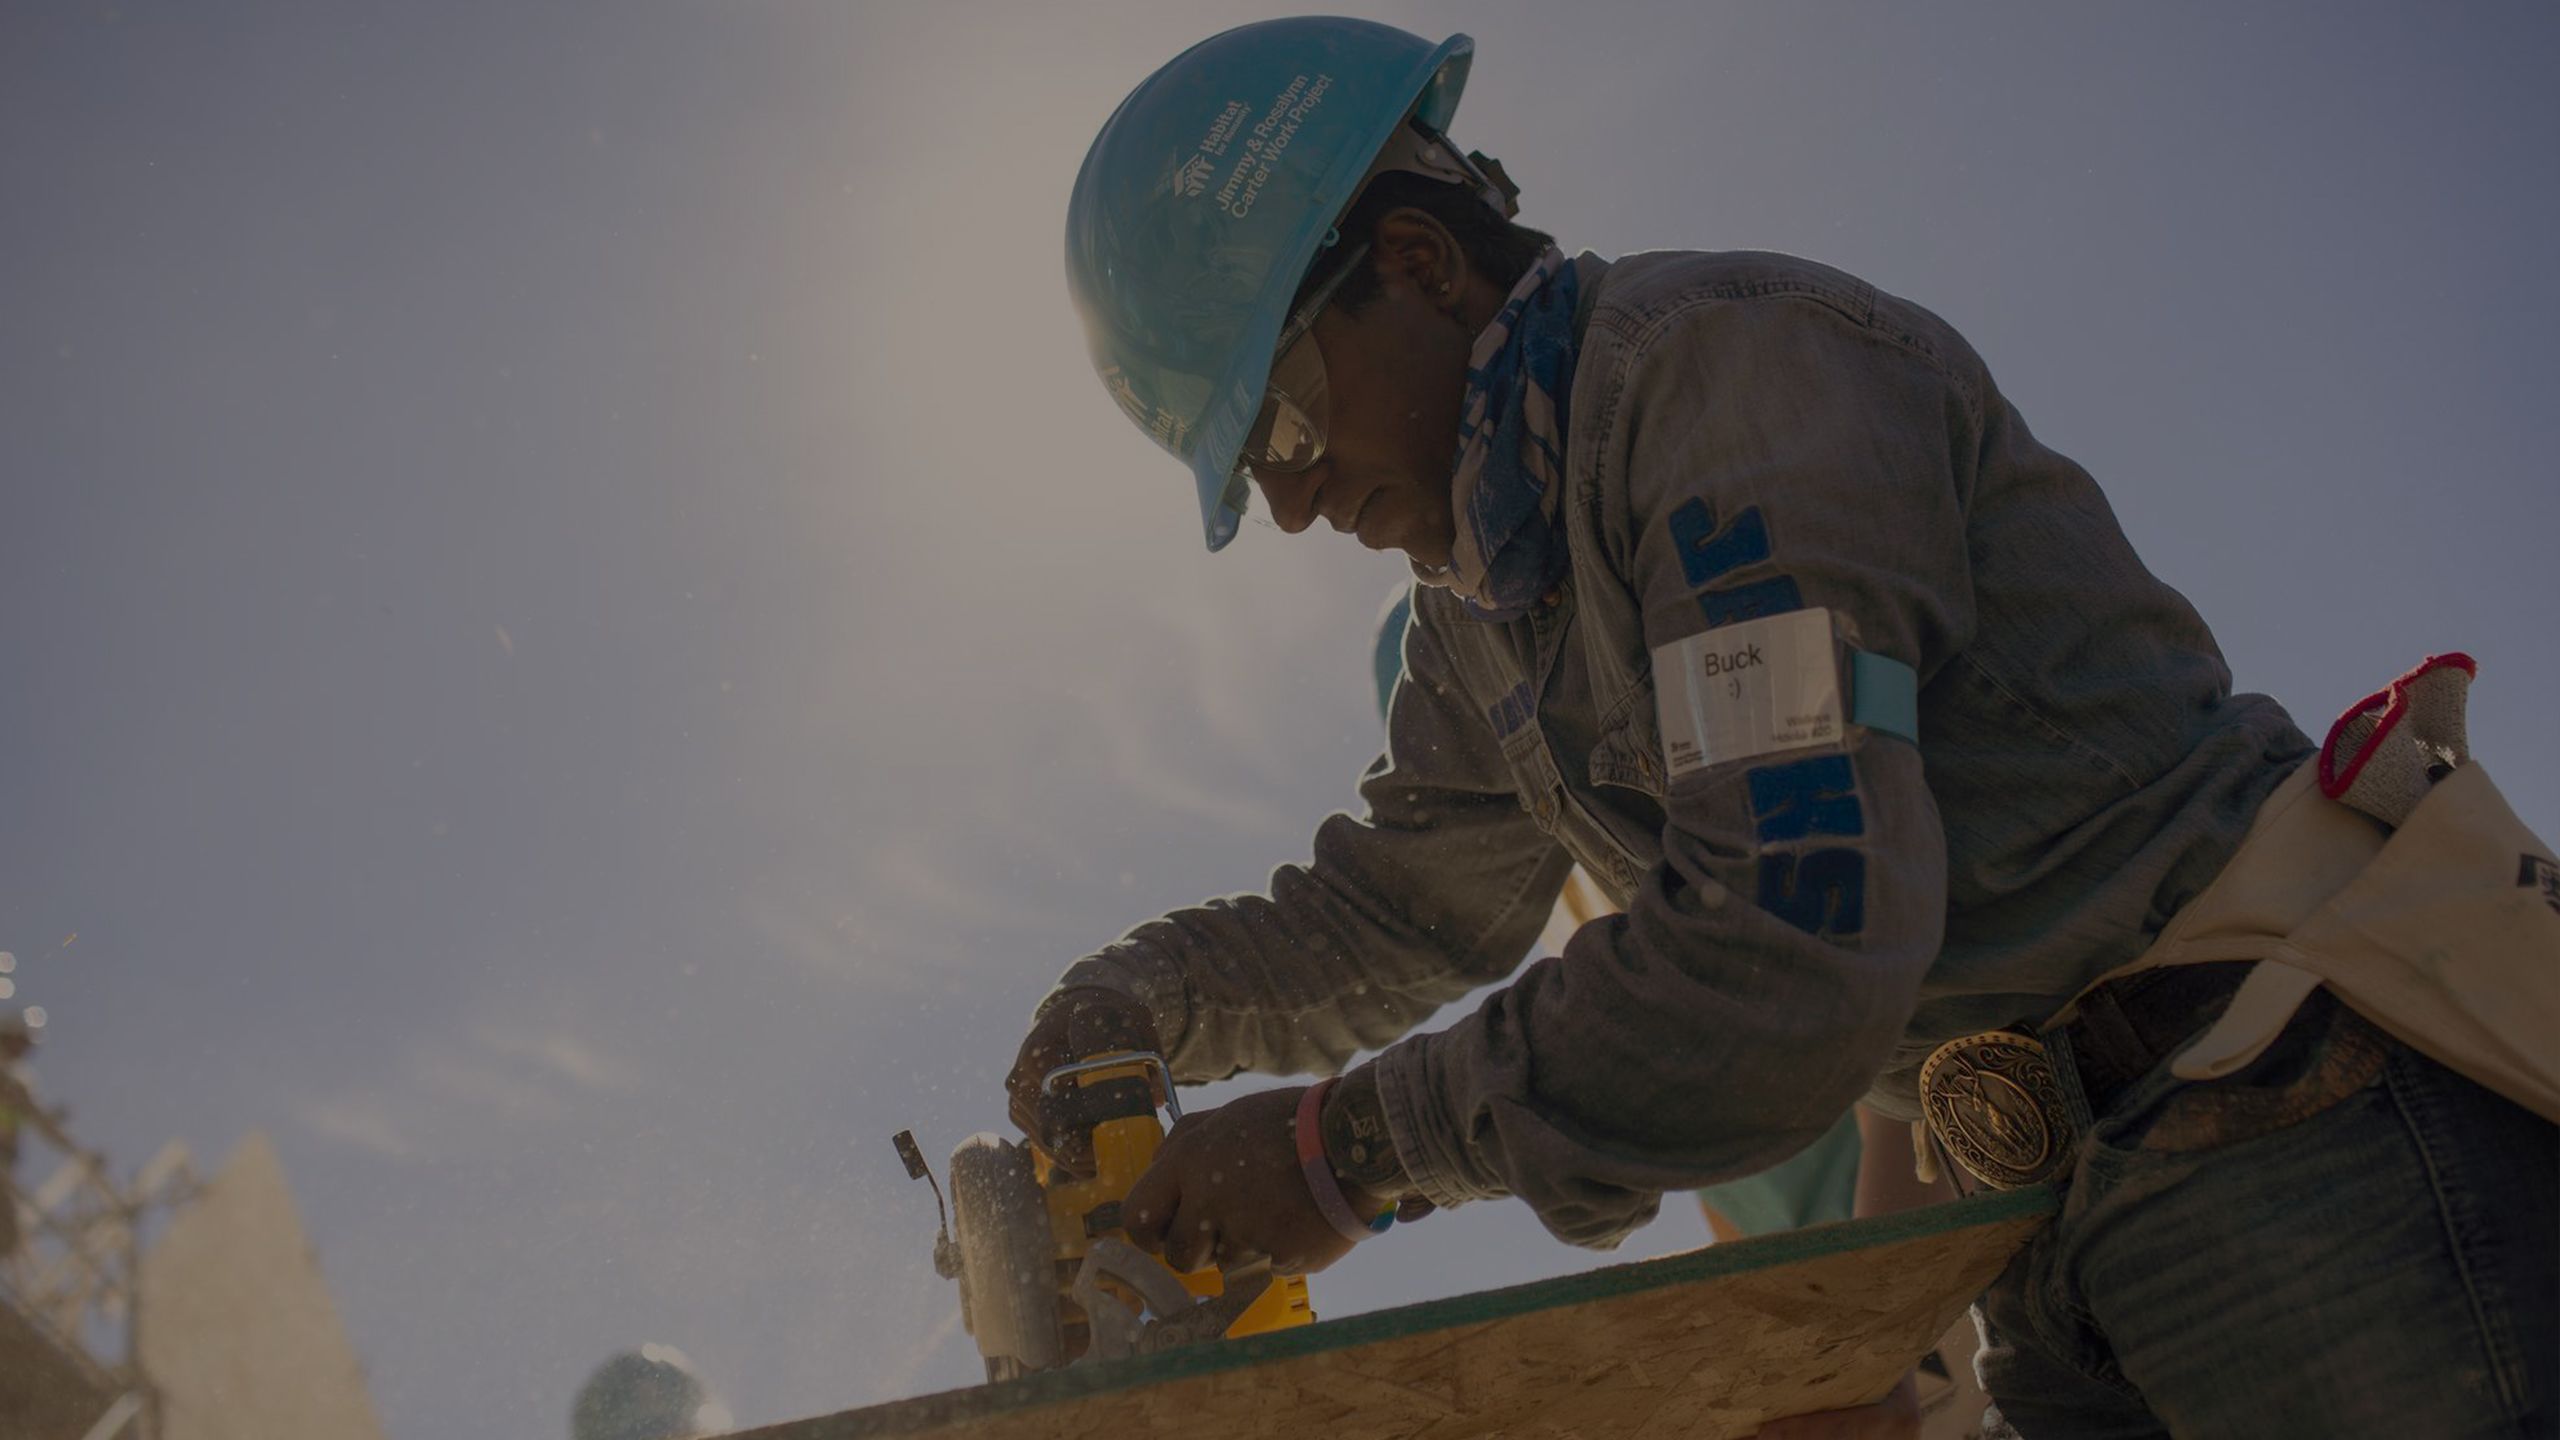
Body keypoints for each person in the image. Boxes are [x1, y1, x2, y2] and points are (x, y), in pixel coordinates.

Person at [1016, 18, 2558, 1437]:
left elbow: (1788, 938)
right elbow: (1389, 917)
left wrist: (1339, 1156)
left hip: (2290, 1114)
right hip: (2039, 1224)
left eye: (1281, 426)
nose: (1286, 501)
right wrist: (1148, 998)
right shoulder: (1481, 623)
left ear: (1418, 262)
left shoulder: (1733, 384)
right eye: (1248, 475)